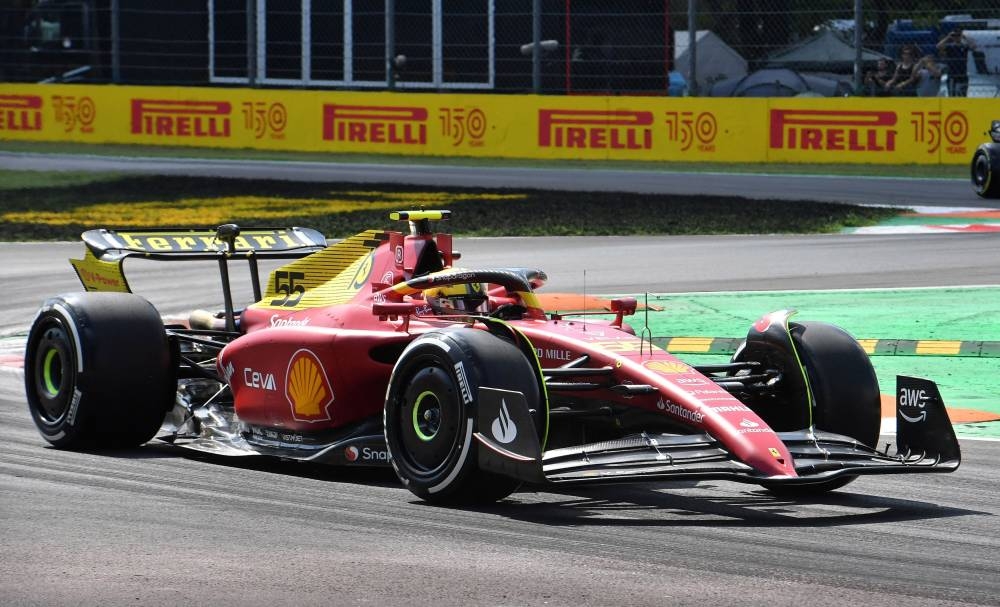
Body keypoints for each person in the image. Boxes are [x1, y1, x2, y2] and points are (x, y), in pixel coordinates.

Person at [936, 29, 976, 97]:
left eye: (958, 35)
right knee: (952, 95)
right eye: (954, 35)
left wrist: (964, 37)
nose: (956, 37)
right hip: (952, 74)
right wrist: (948, 37)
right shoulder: (950, 46)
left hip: (962, 73)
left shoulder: (964, 46)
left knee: (962, 95)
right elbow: (938, 46)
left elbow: (973, 46)